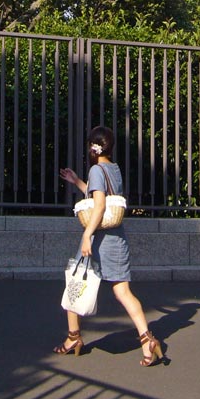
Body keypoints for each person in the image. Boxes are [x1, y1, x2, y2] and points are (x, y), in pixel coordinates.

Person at [53, 125, 165, 366]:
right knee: (123, 292)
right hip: (117, 238)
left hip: (98, 238)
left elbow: (100, 205)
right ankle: (148, 341)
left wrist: (86, 236)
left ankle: (73, 337)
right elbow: (102, 195)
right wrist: (77, 182)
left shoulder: (96, 169)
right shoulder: (113, 169)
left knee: (75, 283)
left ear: (92, 148)